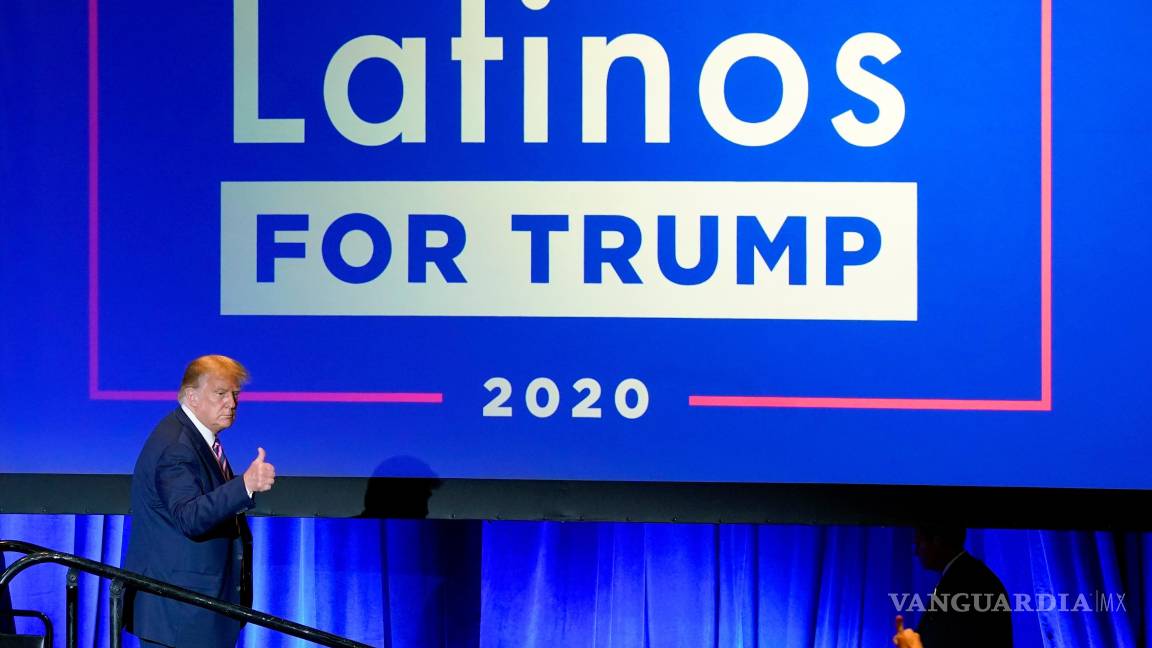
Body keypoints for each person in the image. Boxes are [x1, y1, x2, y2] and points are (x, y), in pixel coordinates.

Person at [124, 355, 276, 647]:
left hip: (194, 612)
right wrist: (244, 485)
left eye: (235, 394)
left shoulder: (195, 437)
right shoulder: (177, 446)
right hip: (181, 613)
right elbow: (189, 517)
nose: (231, 403)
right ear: (192, 396)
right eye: (221, 393)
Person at [893, 526, 1012, 648]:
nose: (916, 551)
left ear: (937, 541)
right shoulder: (965, 576)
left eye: (920, 542)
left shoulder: (971, 585)